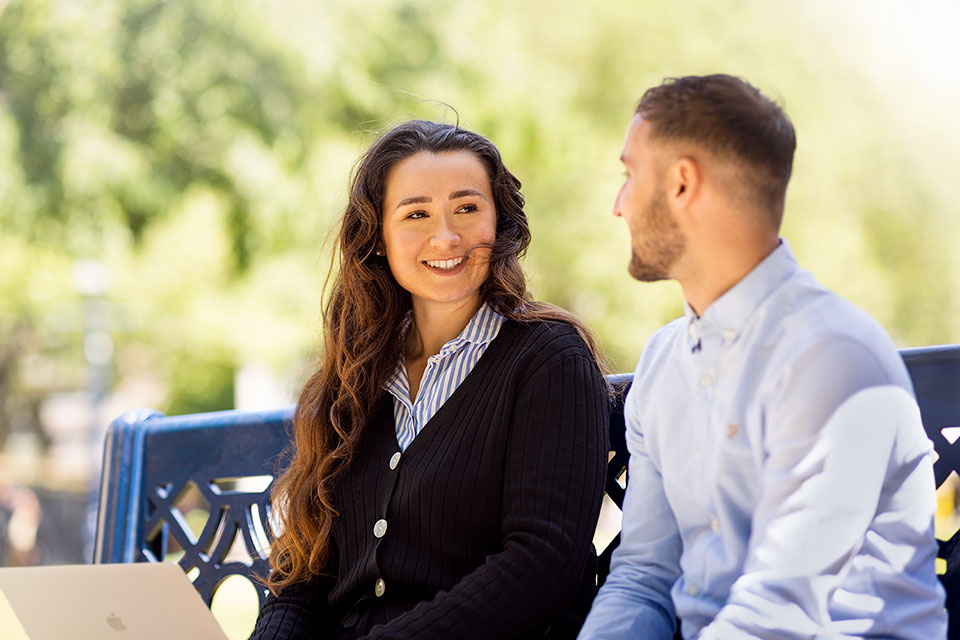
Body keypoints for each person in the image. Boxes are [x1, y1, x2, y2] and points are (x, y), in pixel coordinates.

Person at [579, 74, 946, 639]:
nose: (617, 205)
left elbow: (782, 612)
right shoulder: (662, 363)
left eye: (629, 175)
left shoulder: (833, 360)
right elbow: (643, 578)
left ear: (682, 183)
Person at [251, 120, 610, 639]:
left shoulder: (548, 359)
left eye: (467, 208)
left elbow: (541, 564)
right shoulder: (354, 378)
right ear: (377, 237)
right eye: (416, 214)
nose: (446, 236)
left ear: (500, 223)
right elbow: (305, 573)